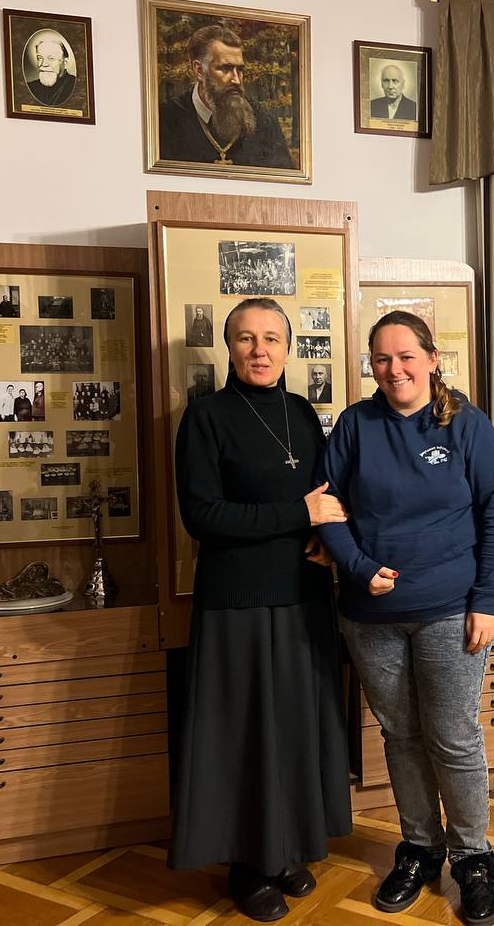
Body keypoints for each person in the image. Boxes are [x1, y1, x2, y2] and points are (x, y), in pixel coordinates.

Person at [317, 311, 494, 926]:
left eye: (406, 356)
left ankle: (473, 858)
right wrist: (357, 568)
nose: (394, 369)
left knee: (453, 736)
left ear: (432, 359)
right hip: (370, 615)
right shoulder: (355, 424)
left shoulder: (465, 423)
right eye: (381, 359)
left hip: (449, 611)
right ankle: (420, 848)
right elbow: (325, 507)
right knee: (400, 735)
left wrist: (487, 600)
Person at [170, 297, 352, 922]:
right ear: (228, 347)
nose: (259, 350)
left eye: (272, 338)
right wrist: (299, 514)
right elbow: (204, 516)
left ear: (288, 347)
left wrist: (325, 541)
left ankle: (287, 848)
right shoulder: (205, 418)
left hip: (303, 596)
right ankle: (247, 866)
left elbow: (325, 496)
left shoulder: (301, 413)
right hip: (237, 604)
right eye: (246, 338)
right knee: (244, 737)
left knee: (295, 732)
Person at [158, 25, 293, 168]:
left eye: (239, 70)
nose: (236, 80)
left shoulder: (265, 123)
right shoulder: (165, 119)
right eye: (225, 69)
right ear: (199, 70)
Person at [25, 30, 77, 107]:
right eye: (40, 58)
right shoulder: (30, 87)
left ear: (65, 63)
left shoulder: (76, 87)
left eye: (51, 58)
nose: (43, 64)